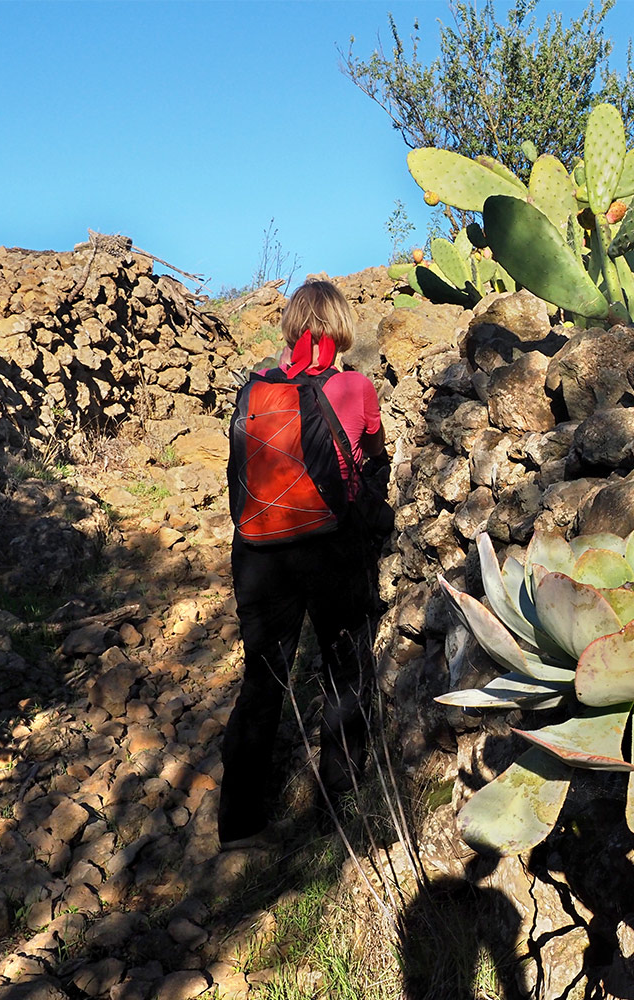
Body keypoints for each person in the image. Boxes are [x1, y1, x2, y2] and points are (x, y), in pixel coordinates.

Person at [218, 279, 386, 848]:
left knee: (263, 683)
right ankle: (340, 809)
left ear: (292, 329)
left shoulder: (255, 391)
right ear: (340, 329)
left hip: (259, 552)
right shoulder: (356, 386)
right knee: (344, 668)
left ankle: (238, 825)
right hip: (331, 548)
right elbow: (373, 462)